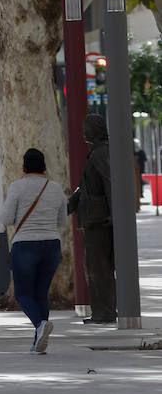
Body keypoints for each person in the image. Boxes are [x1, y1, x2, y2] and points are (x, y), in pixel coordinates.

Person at [0, 147, 67, 354]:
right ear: (45, 168)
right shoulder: (55, 188)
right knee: (40, 294)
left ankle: (40, 325)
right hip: (51, 246)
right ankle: (38, 340)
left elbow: (7, 218)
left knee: (23, 294)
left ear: (23, 167)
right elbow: (62, 221)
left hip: (25, 245)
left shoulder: (17, 187)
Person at [70, 113, 116, 323]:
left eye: (86, 127)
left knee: (99, 269)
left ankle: (104, 312)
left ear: (95, 130)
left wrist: (113, 214)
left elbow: (110, 183)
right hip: (93, 218)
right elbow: (86, 185)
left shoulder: (100, 154)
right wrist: (72, 201)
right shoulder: (95, 152)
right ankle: (101, 311)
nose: (83, 131)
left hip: (99, 219)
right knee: (94, 267)